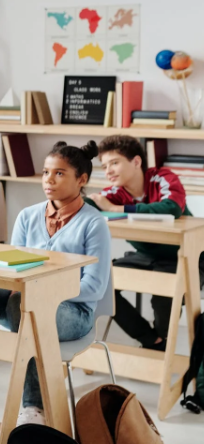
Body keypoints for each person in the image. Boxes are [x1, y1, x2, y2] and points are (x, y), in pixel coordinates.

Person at [0, 141, 111, 426]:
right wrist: (27, 290)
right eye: (45, 172)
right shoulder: (27, 216)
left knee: (22, 304)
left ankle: (33, 406)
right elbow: (14, 270)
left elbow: (95, 288)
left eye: (60, 173)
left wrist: (42, 293)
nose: (49, 180)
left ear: (82, 180)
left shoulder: (94, 223)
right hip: (27, 304)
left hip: (75, 313)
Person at [85, 134, 202, 351]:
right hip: (147, 257)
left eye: (114, 163)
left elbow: (172, 208)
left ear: (136, 162)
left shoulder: (163, 177)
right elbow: (86, 206)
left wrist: (116, 210)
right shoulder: (114, 193)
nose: (108, 171)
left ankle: (162, 344)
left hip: (188, 257)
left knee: (164, 298)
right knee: (100, 283)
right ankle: (152, 341)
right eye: (104, 166)